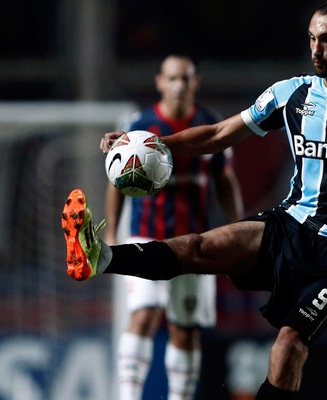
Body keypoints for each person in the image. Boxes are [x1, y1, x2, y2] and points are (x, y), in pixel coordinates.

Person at [60, 2, 327, 399]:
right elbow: (219, 134)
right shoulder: (290, 94)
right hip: (289, 225)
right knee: (201, 246)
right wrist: (150, 143)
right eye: (311, 39)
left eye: (326, 40)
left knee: (288, 347)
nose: (316, 50)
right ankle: (102, 257)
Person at [108, 54, 244, 400]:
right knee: (144, 313)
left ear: (195, 83)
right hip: (145, 233)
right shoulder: (140, 126)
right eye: (172, 78)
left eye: (186, 78)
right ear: (159, 83)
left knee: (185, 328)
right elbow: (116, 181)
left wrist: (238, 229)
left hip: (194, 241)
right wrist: (112, 236)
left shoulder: (208, 123)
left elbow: (224, 179)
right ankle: (127, 395)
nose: (179, 85)